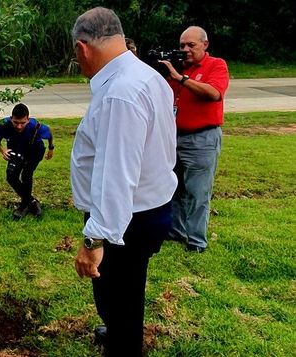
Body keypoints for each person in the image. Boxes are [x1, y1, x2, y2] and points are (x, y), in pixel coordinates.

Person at [70, 7, 177, 356]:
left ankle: (122, 340)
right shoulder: (146, 76)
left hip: (126, 220)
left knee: (118, 297)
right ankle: (120, 329)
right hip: (148, 208)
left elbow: (116, 174)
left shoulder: (120, 93)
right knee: (127, 294)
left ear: (82, 48)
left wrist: (95, 237)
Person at [159, 26, 229, 253]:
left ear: (205, 45)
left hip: (202, 139)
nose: (186, 50)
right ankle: (176, 231)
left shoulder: (215, 65)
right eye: (182, 46)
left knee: (198, 192)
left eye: (191, 45)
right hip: (175, 138)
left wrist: (181, 79)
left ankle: (197, 241)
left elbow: (214, 93)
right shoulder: (175, 68)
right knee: (175, 187)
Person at [0, 103, 54, 220]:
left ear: (28, 119)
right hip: (17, 150)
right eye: (16, 122)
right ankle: (31, 201)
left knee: (26, 175)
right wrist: (3, 150)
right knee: (11, 176)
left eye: (22, 123)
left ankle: (24, 205)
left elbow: (49, 133)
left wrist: (51, 148)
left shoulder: (36, 126)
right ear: (11, 118)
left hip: (35, 151)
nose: (19, 126)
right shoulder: (3, 125)